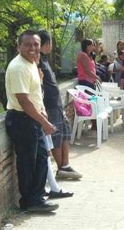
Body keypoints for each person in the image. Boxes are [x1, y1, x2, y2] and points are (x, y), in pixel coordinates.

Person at [5, 30, 59, 212]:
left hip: (32, 119)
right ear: (19, 46)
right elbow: (24, 101)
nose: (33, 48)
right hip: (22, 120)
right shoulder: (18, 67)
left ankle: (37, 198)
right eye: (27, 44)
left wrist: (42, 118)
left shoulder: (31, 64)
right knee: (28, 162)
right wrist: (44, 122)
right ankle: (28, 201)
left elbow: (35, 95)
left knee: (41, 158)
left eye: (36, 44)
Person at [38, 31, 82, 180]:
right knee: (56, 135)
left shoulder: (44, 59)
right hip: (49, 104)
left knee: (65, 131)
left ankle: (65, 165)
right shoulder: (37, 61)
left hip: (56, 103)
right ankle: (60, 167)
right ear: (47, 43)